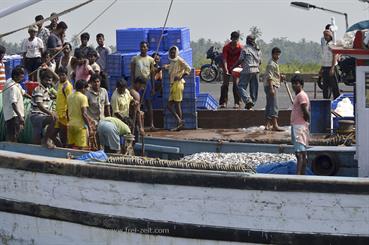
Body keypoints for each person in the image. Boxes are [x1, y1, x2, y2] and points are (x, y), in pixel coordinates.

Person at [30, 67, 60, 148]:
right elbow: (40, 105)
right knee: (54, 119)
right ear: (42, 80)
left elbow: (58, 79)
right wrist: (51, 113)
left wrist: (49, 69)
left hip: (42, 115)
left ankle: (45, 141)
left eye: (50, 80)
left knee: (37, 136)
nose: (48, 82)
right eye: (46, 80)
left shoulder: (48, 89)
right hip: (36, 116)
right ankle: (46, 140)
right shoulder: (39, 89)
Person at [130, 41, 156, 130]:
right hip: (137, 83)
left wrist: (153, 87)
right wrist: (133, 84)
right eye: (141, 47)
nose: (143, 48)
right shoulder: (135, 59)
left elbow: (152, 74)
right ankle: (138, 124)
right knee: (138, 103)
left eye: (145, 47)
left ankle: (151, 124)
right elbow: (132, 73)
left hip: (147, 82)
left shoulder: (151, 60)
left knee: (149, 103)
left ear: (147, 48)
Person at [233, 34, 262, 110]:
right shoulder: (258, 49)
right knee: (254, 89)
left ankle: (247, 100)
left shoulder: (245, 48)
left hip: (247, 70)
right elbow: (260, 62)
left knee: (240, 86)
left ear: (247, 40)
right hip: (256, 70)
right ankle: (251, 104)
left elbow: (241, 59)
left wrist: (233, 66)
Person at [166, 46, 191, 131]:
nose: (172, 54)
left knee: (177, 104)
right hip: (173, 84)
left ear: (176, 53)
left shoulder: (180, 60)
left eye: (174, 52)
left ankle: (179, 124)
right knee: (169, 105)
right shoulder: (172, 61)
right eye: (171, 52)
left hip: (178, 84)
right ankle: (179, 120)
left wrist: (181, 77)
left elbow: (188, 68)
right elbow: (172, 68)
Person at [290, 74, 310, 175]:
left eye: (296, 84)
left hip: (299, 126)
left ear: (301, 84)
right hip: (298, 125)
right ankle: (302, 174)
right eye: (293, 84)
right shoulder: (299, 95)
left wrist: (306, 120)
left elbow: (304, 110)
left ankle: (298, 175)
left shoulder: (301, 96)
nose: (294, 86)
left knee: (299, 153)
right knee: (302, 152)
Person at [2, 66, 26, 142]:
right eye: (21, 75)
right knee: (13, 136)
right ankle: (10, 151)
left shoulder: (11, 81)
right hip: (14, 116)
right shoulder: (13, 87)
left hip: (10, 116)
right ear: (15, 76)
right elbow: (13, 103)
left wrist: (32, 98)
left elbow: (23, 92)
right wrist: (20, 117)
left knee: (12, 135)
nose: (23, 77)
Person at [219, 31, 242, 109]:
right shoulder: (226, 47)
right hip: (227, 66)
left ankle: (237, 102)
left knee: (236, 84)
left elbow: (240, 60)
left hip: (236, 67)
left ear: (238, 39)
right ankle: (223, 102)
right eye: (233, 39)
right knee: (225, 84)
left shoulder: (240, 48)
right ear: (231, 39)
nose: (235, 41)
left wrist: (234, 68)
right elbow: (224, 59)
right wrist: (225, 69)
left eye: (236, 39)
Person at [264, 47, 285, 131]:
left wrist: (280, 77)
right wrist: (271, 88)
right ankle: (275, 125)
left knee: (269, 105)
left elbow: (274, 75)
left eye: (279, 54)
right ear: (273, 54)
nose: (278, 56)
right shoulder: (271, 64)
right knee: (274, 106)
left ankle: (267, 124)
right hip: (271, 86)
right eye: (276, 54)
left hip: (272, 85)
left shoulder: (275, 63)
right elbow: (269, 77)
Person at [67, 79, 92, 149]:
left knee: (69, 146)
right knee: (81, 148)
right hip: (80, 126)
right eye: (86, 88)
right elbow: (84, 114)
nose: (86, 90)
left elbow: (67, 111)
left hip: (70, 125)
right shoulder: (83, 97)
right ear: (83, 88)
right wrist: (89, 126)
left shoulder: (69, 96)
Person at [54, 66, 73, 146]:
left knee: (63, 136)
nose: (61, 77)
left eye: (63, 75)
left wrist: (68, 114)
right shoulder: (60, 84)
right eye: (60, 75)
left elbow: (70, 101)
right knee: (55, 134)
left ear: (66, 75)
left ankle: (65, 149)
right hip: (58, 114)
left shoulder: (67, 86)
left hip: (64, 115)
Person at [320, 29, 340, 99]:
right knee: (325, 87)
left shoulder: (332, 44)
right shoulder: (325, 45)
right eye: (324, 35)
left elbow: (334, 56)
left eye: (326, 35)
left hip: (331, 67)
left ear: (330, 36)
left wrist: (332, 68)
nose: (325, 37)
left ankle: (336, 101)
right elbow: (324, 58)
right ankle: (326, 101)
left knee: (334, 87)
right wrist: (321, 69)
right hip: (325, 67)